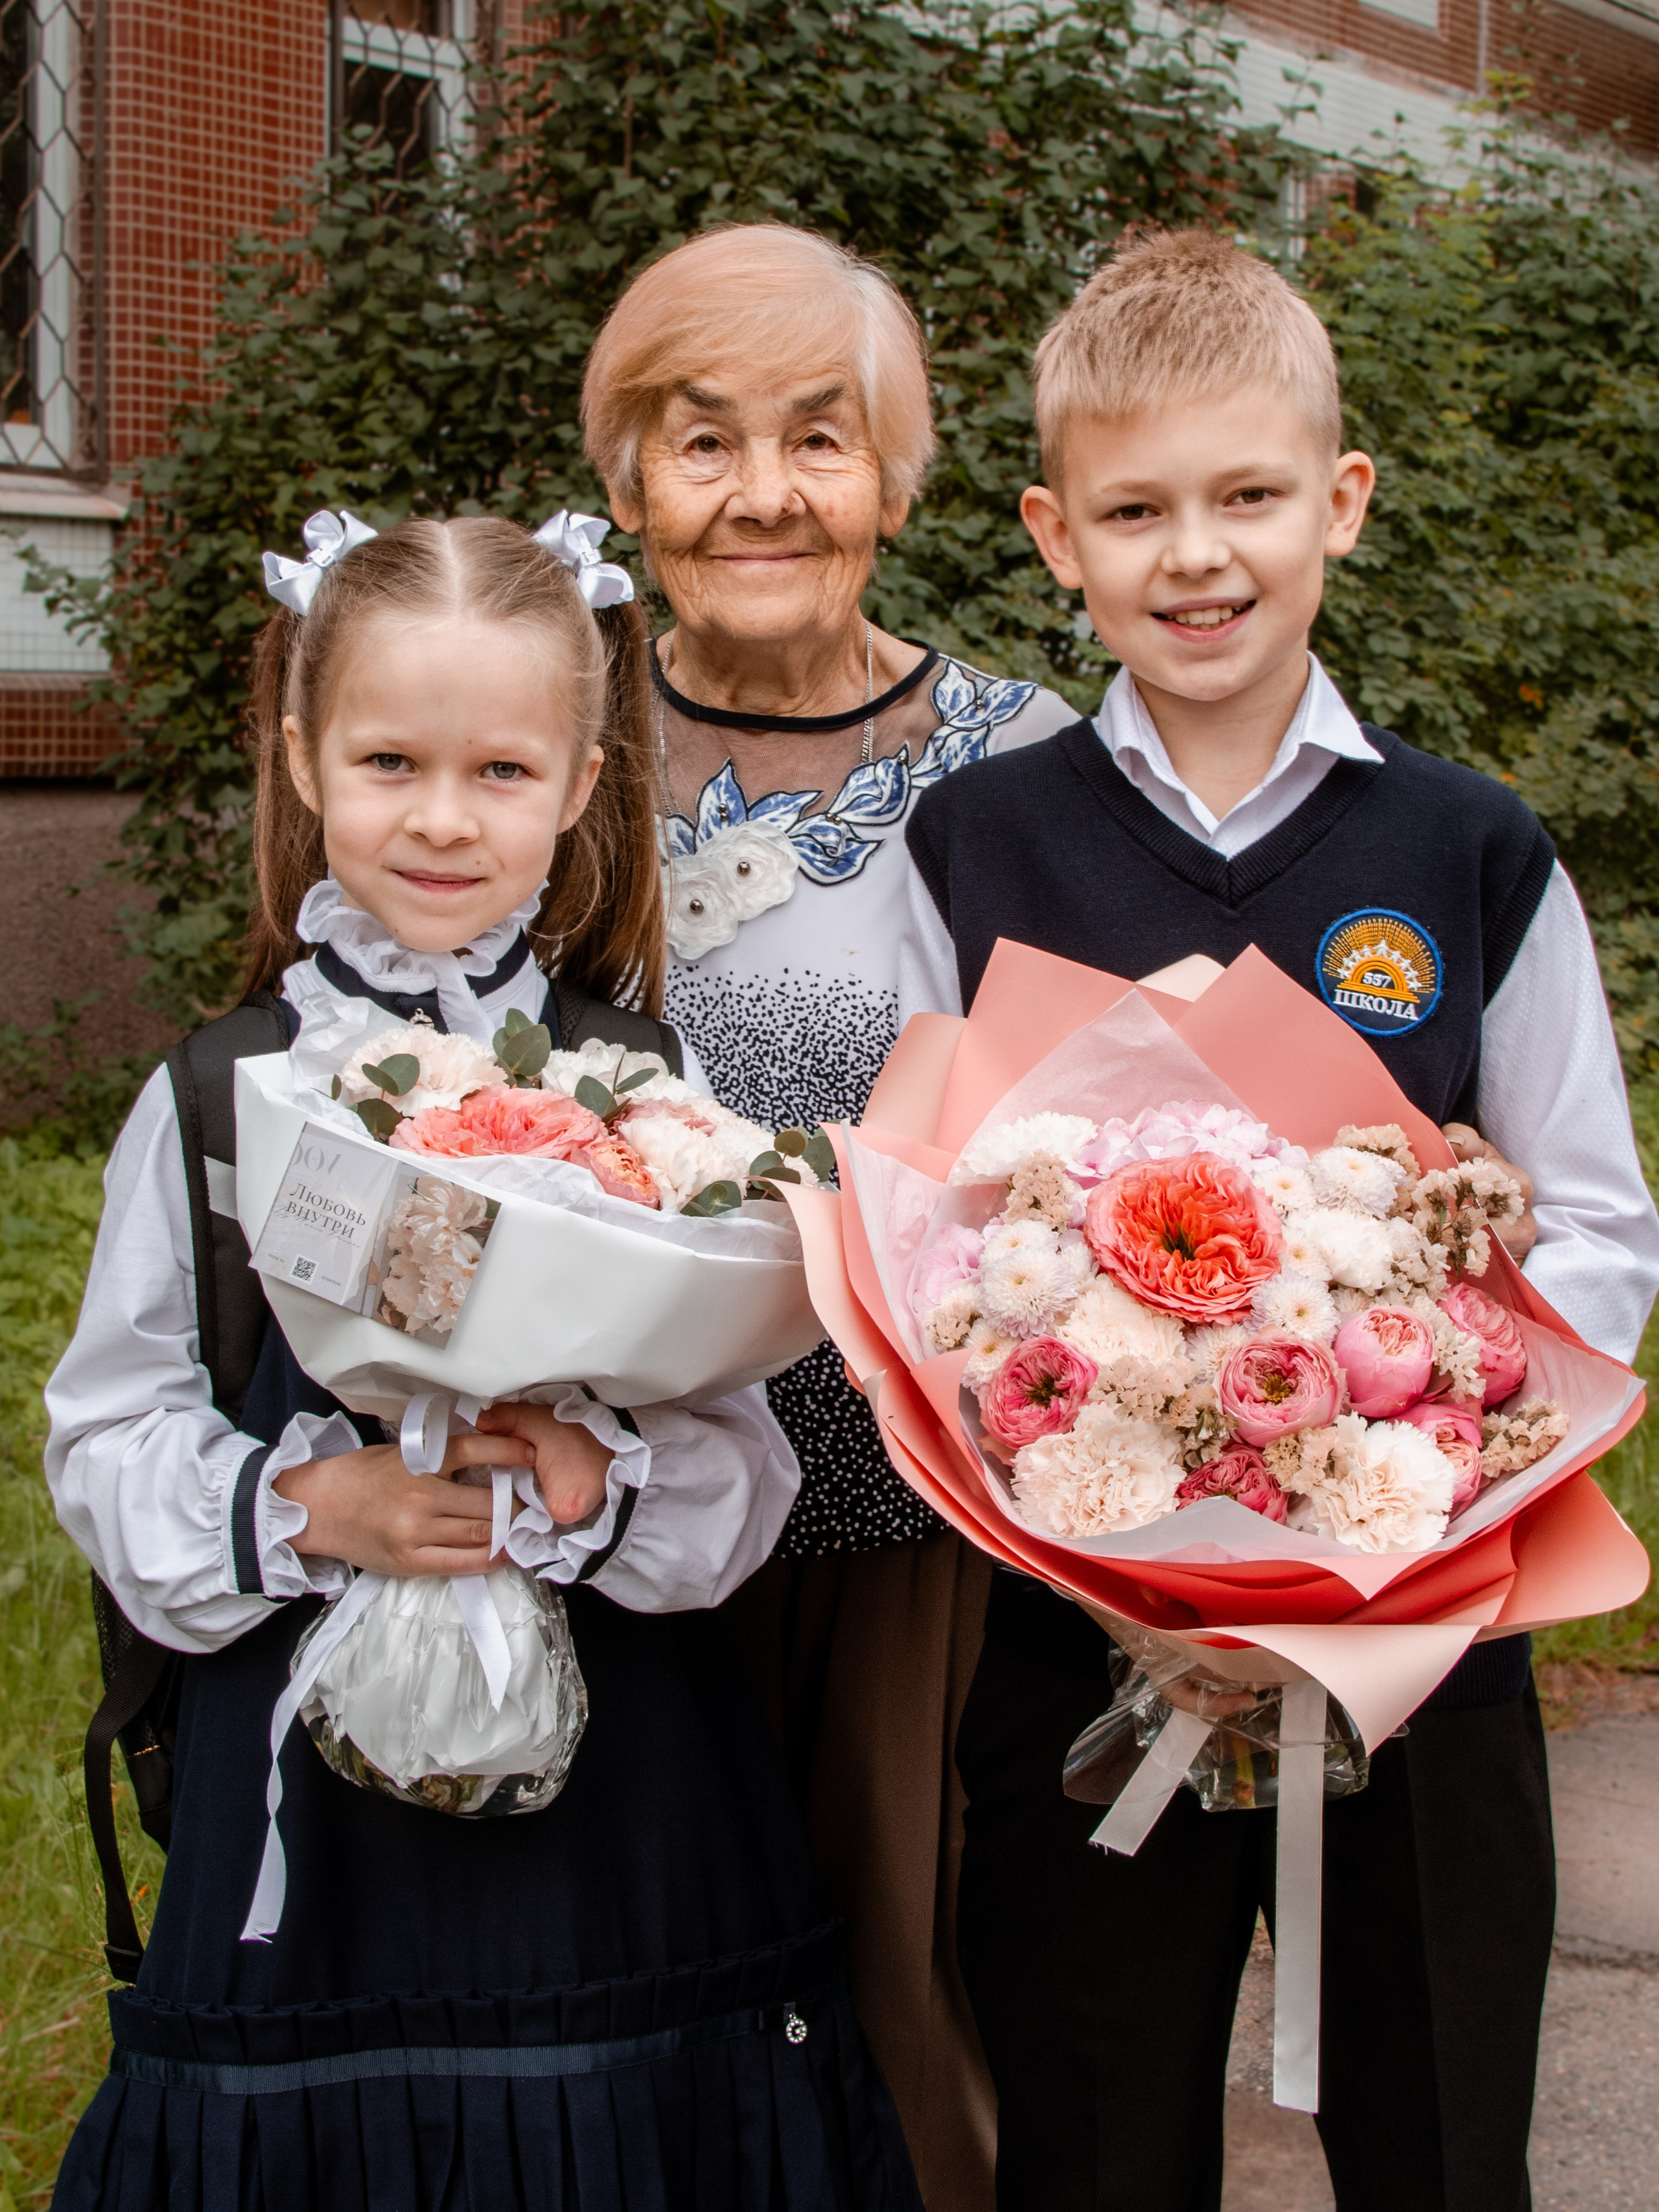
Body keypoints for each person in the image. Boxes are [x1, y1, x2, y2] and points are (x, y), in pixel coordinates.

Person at [903, 229, 1659, 2212]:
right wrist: (1128, 1556)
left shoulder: (1471, 850)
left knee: (1435, 2146)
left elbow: (1589, 1229)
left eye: (1247, 497)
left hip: (1424, 1651)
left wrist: (1375, 1521)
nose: (1197, 555)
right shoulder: (980, 843)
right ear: (1057, 540)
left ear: (1341, 505)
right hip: (1088, 1646)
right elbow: (927, 1244)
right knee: (1095, 2140)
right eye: (1137, 510)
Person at [46, 513, 922, 2209]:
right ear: (305, 759)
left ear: (582, 776)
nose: (442, 817)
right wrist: (314, 1510)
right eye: (387, 759)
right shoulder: (221, 1095)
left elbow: (749, 1454)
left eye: (501, 769)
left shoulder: (650, 1082)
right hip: (309, 1820)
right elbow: (109, 1429)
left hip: (622, 1823)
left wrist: (607, 1489)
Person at [580, 222, 1075, 2208]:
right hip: (599, 1480)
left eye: (821, 438)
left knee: (897, 1948)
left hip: (896, 1493)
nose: (765, 494)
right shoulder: (555, 724)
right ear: (629, 481)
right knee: (618, 1948)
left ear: (899, 476)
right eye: (703, 444)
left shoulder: (1019, 765)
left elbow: (1082, 1122)